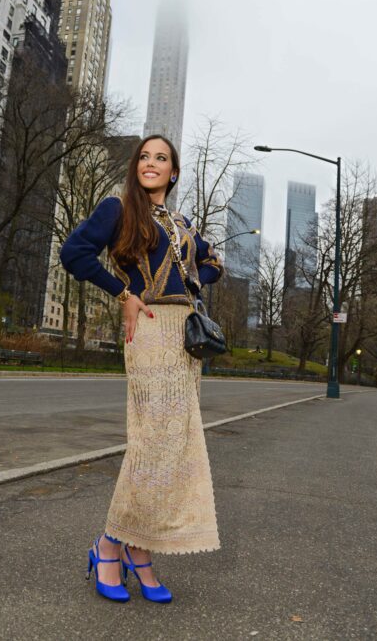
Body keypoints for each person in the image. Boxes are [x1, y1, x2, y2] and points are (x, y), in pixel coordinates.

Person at [60, 134, 223, 604]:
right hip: (148, 329)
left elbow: (213, 262)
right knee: (153, 443)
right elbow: (75, 253)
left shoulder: (181, 222)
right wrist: (123, 293)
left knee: (174, 445)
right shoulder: (118, 208)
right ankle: (112, 545)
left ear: (173, 172)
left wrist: (193, 281)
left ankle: (138, 548)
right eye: (145, 157)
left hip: (184, 338)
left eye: (162, 158)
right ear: (136, 167)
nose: (151, 163)